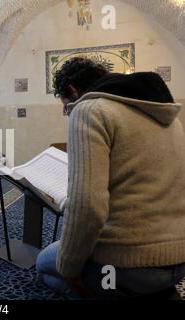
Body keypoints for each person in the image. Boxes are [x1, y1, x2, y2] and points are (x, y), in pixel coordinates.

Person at [36, 57, 185, 299]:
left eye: (65, 106)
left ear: (73, 91)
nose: (68, 112)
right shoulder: (170, 117)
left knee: (45, 265)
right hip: (178, 260)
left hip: (126, 264)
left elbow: (88, 207)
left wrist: (70, 270)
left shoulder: (89, 110)